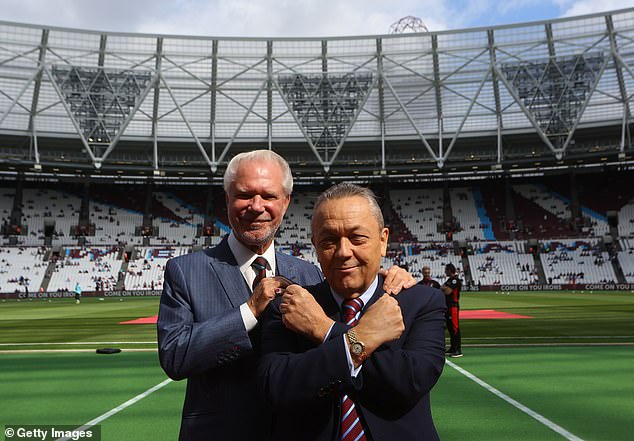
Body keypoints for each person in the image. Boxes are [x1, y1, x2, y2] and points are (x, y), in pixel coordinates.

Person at [157, 151, 415, 441]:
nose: (257, 206)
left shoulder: (309, 273)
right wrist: (249, 312)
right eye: (244, 195)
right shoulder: (186, 271)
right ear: (227, 198)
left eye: (268, 195)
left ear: (285, 202)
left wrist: (386, 277)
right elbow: (175, 356)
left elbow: (344, 331)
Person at [258, 183, 446, 441]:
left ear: (383, 241)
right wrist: (357, 342)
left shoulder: (421, 301)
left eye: (357, 238)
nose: (344, 252)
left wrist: (326, 331)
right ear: (315, 245)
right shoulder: (288, 308)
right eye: (329, 240)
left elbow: (409, 382)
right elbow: (277, 388)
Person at [442, 263, 463, 357]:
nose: (445, 271)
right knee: (450, 328)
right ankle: (453, 348)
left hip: (453, 307)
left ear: (450, 270)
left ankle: (458, 349)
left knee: (454, 327)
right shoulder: (450, 280)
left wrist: (444, 288)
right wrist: (444, 288)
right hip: (448, 306)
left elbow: (447, 291)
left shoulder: (455, 280)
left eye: (446, 270)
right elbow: (443, 289)